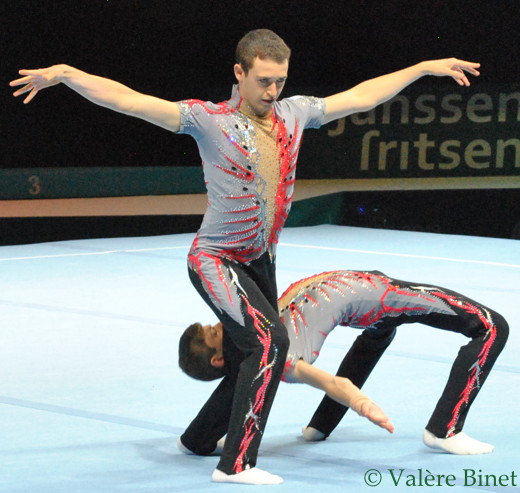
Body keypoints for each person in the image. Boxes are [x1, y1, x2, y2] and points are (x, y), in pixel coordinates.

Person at [10, 29, 481, 485]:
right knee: (269, 343)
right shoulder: (207, 119)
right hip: (216, 258)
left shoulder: (296, 112)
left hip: (260, 260)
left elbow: (360, 96)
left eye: (281, 80)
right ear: (239, 72)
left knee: (251, 360)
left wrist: (421, 68)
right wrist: (68, 74)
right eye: (263, 81)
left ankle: (199, 439)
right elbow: (130, 100)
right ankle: (234, 464)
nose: (273, 91)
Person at [178, 270, 508, 457]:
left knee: (381, 330)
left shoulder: (255, 329)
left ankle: (319, 427)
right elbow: (334, 383)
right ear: (218, 357)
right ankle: (444, 430)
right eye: (213, 332)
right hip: (381, 295)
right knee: (492, 327)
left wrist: (198, 439)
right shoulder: (278, 357)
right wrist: (362, 404)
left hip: (361, 296)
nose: (218, 323)